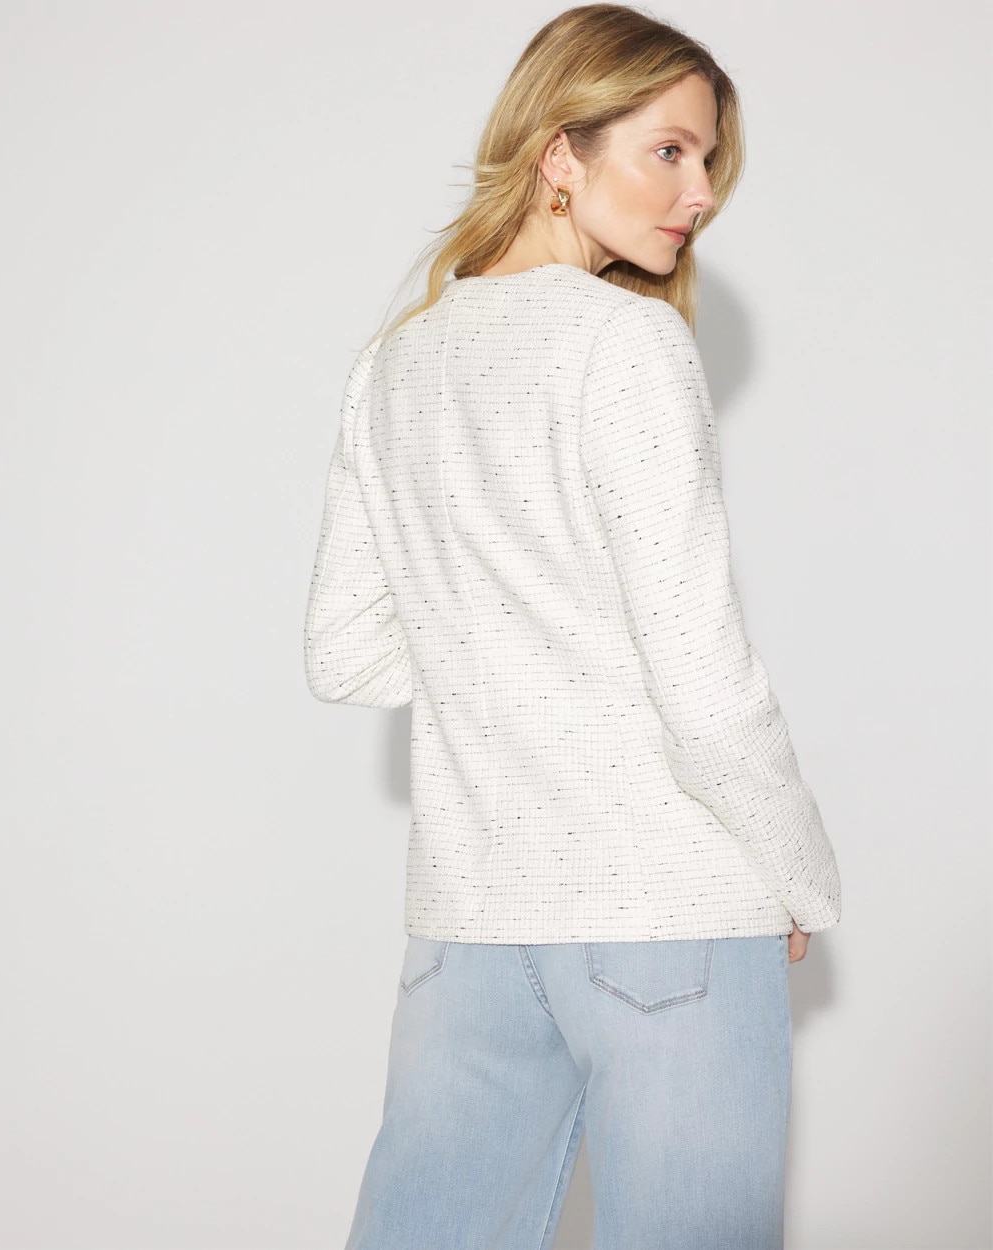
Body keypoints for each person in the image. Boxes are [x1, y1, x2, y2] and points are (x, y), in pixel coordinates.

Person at [303, 5, 842, 1247]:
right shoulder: (626, 342)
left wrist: (500, 637)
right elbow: (701, 679)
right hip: (670, 914)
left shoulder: (392, 365)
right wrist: (801, 870)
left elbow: (346, 653)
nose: (700, 191)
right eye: (669, 150)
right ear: (560, 153)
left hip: (469, 916)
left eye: (708, 159)